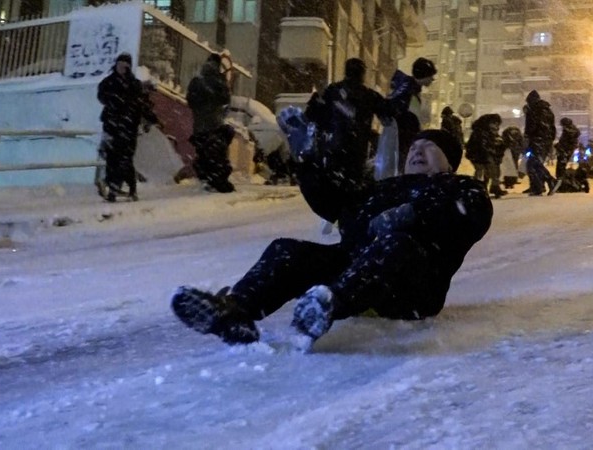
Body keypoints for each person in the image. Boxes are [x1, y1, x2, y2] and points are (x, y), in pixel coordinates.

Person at [171, 115, 493, 350]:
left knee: (396, 245)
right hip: (356, 270)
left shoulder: (458, 186)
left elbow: (473, 214)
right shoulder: (383, 188)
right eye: (414, 145)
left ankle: (324, 307)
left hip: (411, 289)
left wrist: (412, 213)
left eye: (430, 146)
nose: (417, 150)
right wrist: (307, 160)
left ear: (449, 161)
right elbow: (336, 204)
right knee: (288, 250)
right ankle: (236, 311)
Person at [305, 58, 410, 188]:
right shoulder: (368, 95)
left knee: (332, 188)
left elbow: (313, 115)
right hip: (356, 152)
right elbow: (389, 112)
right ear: (362, 74)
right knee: (353, 187)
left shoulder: (332, 92)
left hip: (334, 150)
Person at [96, 52, 159, 202]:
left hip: (128, 127)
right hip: (113, 125)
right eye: (119, 65)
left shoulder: (134, 84)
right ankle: (114, 187)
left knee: (125, 159)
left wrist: (151, 118)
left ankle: (128, 188)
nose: (121, 68)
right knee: (113, 158)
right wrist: (114, 100)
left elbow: (141, 104)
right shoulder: (109, 82)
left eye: (125, 65)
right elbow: (101, 96)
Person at [187, 53, 236, 193]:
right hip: (215, 124)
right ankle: (215, 180)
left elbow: (190, 100)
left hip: (199, 125)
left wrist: (200, 110)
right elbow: (226, 100)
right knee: (217, 155)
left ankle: (206, 179)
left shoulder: (197, 81)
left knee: (203, 153)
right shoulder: (219, 81)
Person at [388, 57, 438, 158]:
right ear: (424, 75)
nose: (433, 79)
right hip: (402, 139)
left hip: (402, 138)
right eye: (431, 75)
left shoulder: (410, 88)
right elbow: (406, 116)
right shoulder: (408, 90)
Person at [523, 90, 558, 196]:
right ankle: (538, 186)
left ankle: (549, 181)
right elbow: (552, 127)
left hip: (537, 140)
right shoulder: (548, 111)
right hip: (546, 140)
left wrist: (527, 136)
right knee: (537, 163)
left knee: (532, 164)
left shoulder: (533, 110)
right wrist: (550, 140)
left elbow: (531, 126)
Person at [466, 113, 506, 198]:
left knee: (489, 171)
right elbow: (481, 145)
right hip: (478, 154)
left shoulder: (486, 130)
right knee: (482, 171)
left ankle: (484, 188)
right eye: (495, 123)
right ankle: (480, 188)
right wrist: (491, 149)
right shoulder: (481, 131)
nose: (496, 126)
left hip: (481, 154)